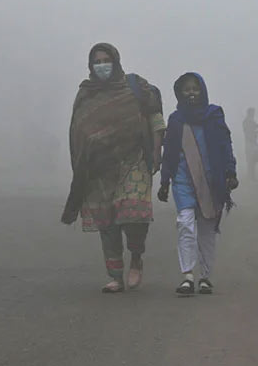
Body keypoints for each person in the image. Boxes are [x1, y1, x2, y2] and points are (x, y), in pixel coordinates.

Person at [61, 43, 165, 293]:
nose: (102, 65)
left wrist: (157, 151)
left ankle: (136, 257)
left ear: (116, 61)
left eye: (106, 60)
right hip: (99, 168)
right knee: (107, 223)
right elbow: (78, 130)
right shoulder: (86, 94)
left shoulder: (136, 86)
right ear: (90, 65)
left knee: (134, 215)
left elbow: (156, 117)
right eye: (96, 61)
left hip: (134, 160)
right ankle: (116, 276)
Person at [157, 73, 238, 295]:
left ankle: (205, 276)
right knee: (185, 223)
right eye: (186, 89)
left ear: (202, 90)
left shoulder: (214, 115)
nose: (191, 92)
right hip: (182, 180)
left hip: (211, 181)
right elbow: (169, 153)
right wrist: (164, 181)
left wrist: (231, 171)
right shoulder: (175, 120)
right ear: (179, 93)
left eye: (195, 88)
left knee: (207, 229)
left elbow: (225, 145)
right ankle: (187, 276)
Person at [242, 108, 258, 180]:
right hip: (250, 143)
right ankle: (251, 177)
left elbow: (256, 127)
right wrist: (256, 133)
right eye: (253, 113)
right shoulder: (247, 121)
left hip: (251, 142)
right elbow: (248, 132)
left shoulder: (249, 121)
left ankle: (252, 176)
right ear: (250, 113)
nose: (254, 114)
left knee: (252, 160)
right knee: (251, 160)